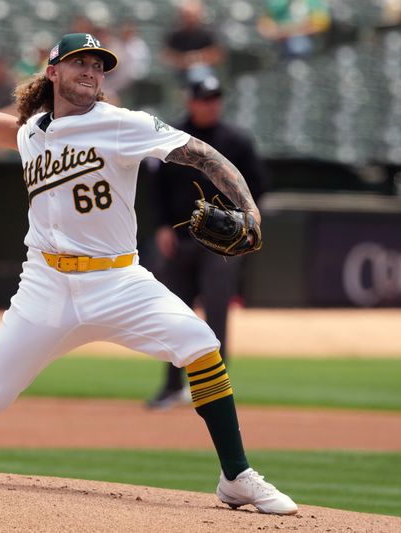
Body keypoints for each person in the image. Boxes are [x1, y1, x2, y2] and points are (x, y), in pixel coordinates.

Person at [0, 32, 297, 516]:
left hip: (118, 281)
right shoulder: (34, 130)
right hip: (45, 286)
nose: (91, 71)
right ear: (53, 72)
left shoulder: (121, 124)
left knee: (201, 346)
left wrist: (249, 209)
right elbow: (14, 133)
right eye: (79, 62)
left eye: (98, 64)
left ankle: (236, 476)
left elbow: (203, 154)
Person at [145, 73, 268, 410]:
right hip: (178, 242)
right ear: (189, 99)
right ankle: (171, 386)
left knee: (217, 317)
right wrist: (161, 227)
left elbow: (258, 185)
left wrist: (243, 219)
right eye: (204, 98)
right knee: (173, 317)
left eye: (215, 97)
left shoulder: (237, 141)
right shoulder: (170, 137)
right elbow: (154, 189)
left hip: (220, 248)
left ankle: (216, 394)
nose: (211, 104)